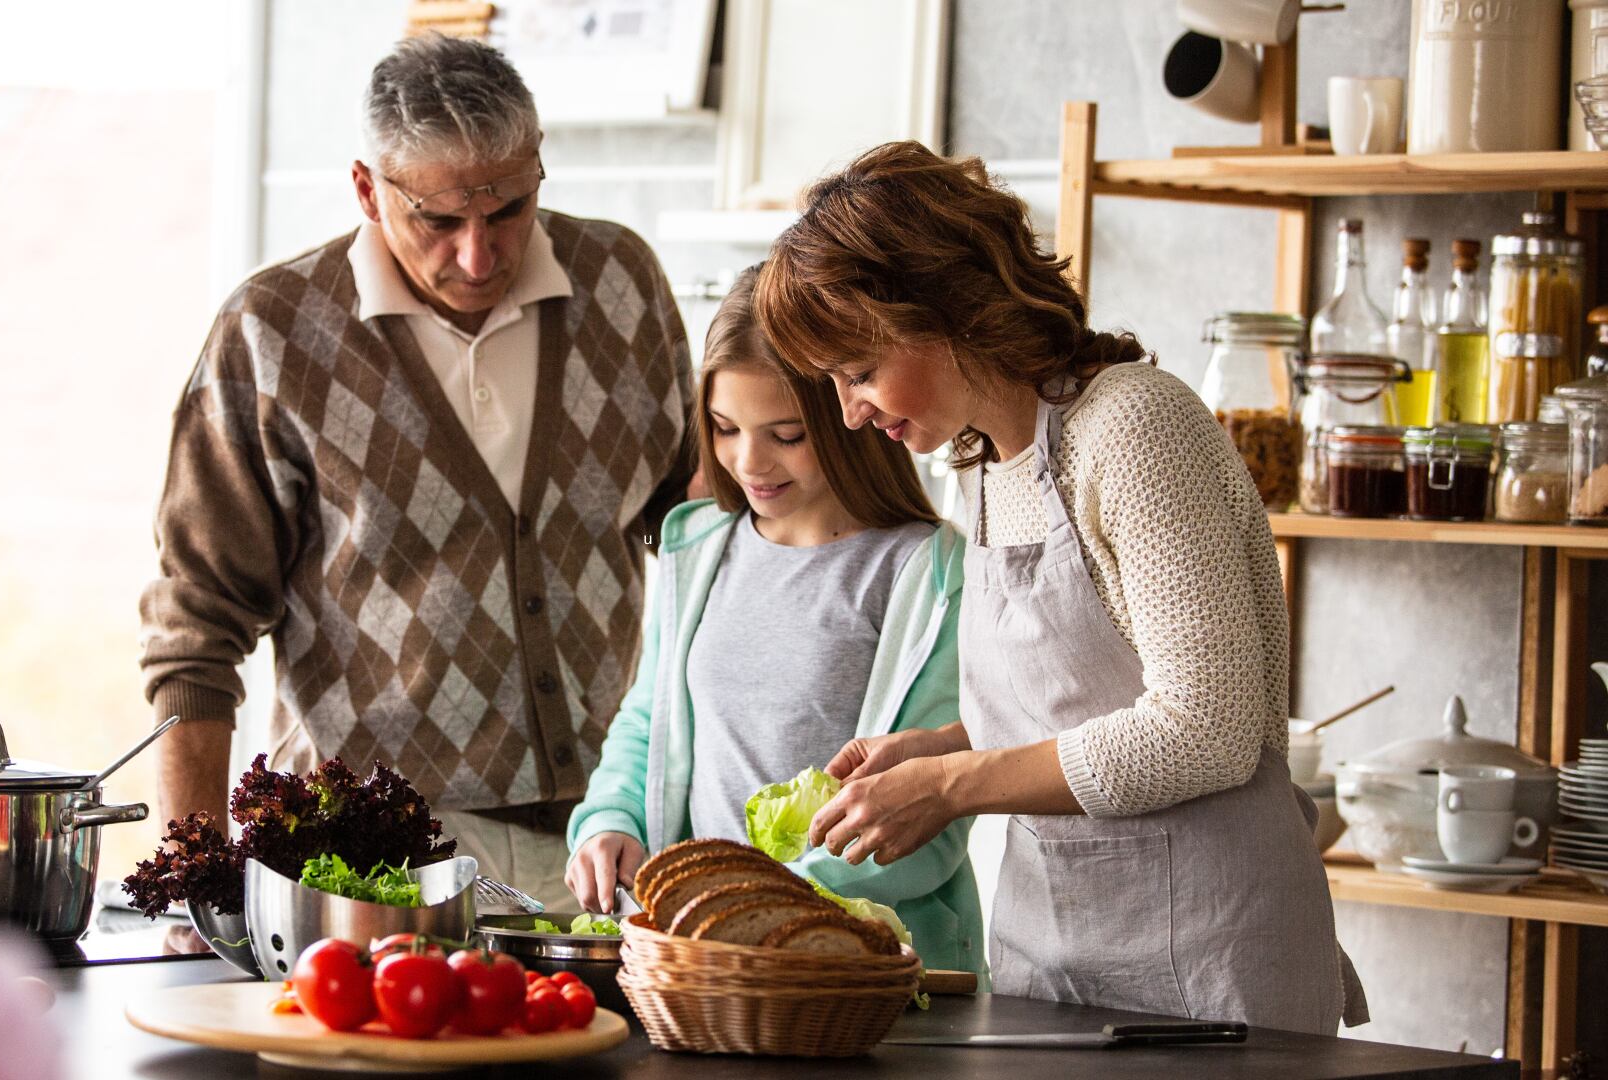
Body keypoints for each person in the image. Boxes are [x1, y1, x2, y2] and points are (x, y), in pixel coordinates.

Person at [755, 142, 1368, 1032]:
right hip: (1052, 956)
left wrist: (954, 785)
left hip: (1213, 958)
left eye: (858, 372)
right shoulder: (981, 466)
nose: (851, 412)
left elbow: (1206, 729)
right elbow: (1081, 705)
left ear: (941, 309)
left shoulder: (1136, 428)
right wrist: (938, 749)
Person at [139, 35, 694, 914]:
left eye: (509, 209)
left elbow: (701, 533)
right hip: (367, 865)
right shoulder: (272, 332)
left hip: (601, 845)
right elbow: (196, 628)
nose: (479, 255)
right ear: (368, 189)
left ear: (539, 165)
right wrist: (198, 887)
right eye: (439, 220)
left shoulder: (623, 285)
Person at [564, 266, 982, 974]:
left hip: (861, 972)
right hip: (700, 964)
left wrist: (764, 911)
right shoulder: (699, 546)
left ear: (853, 419)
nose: (748, 462)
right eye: (725, 429)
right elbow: (647, 721)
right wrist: (610, 821)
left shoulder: (930, 572)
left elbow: (932, 815)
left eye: (786, 435)